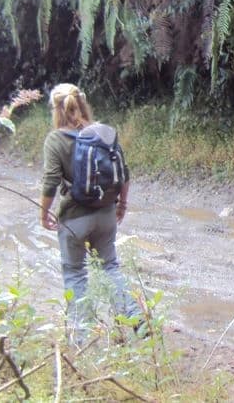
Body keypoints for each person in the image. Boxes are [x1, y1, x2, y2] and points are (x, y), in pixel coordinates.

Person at [39, 83, 142, 344]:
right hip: (106, 215)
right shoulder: (102, 134)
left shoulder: (55, 140)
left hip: (74, 218)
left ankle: (81, 339)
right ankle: (135, 318)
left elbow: (51, 179)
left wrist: (44, 213)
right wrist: (121, 205)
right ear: (83, 104)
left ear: (56, 109)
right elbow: (124, 173)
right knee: (110, 267)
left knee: (75, 273)